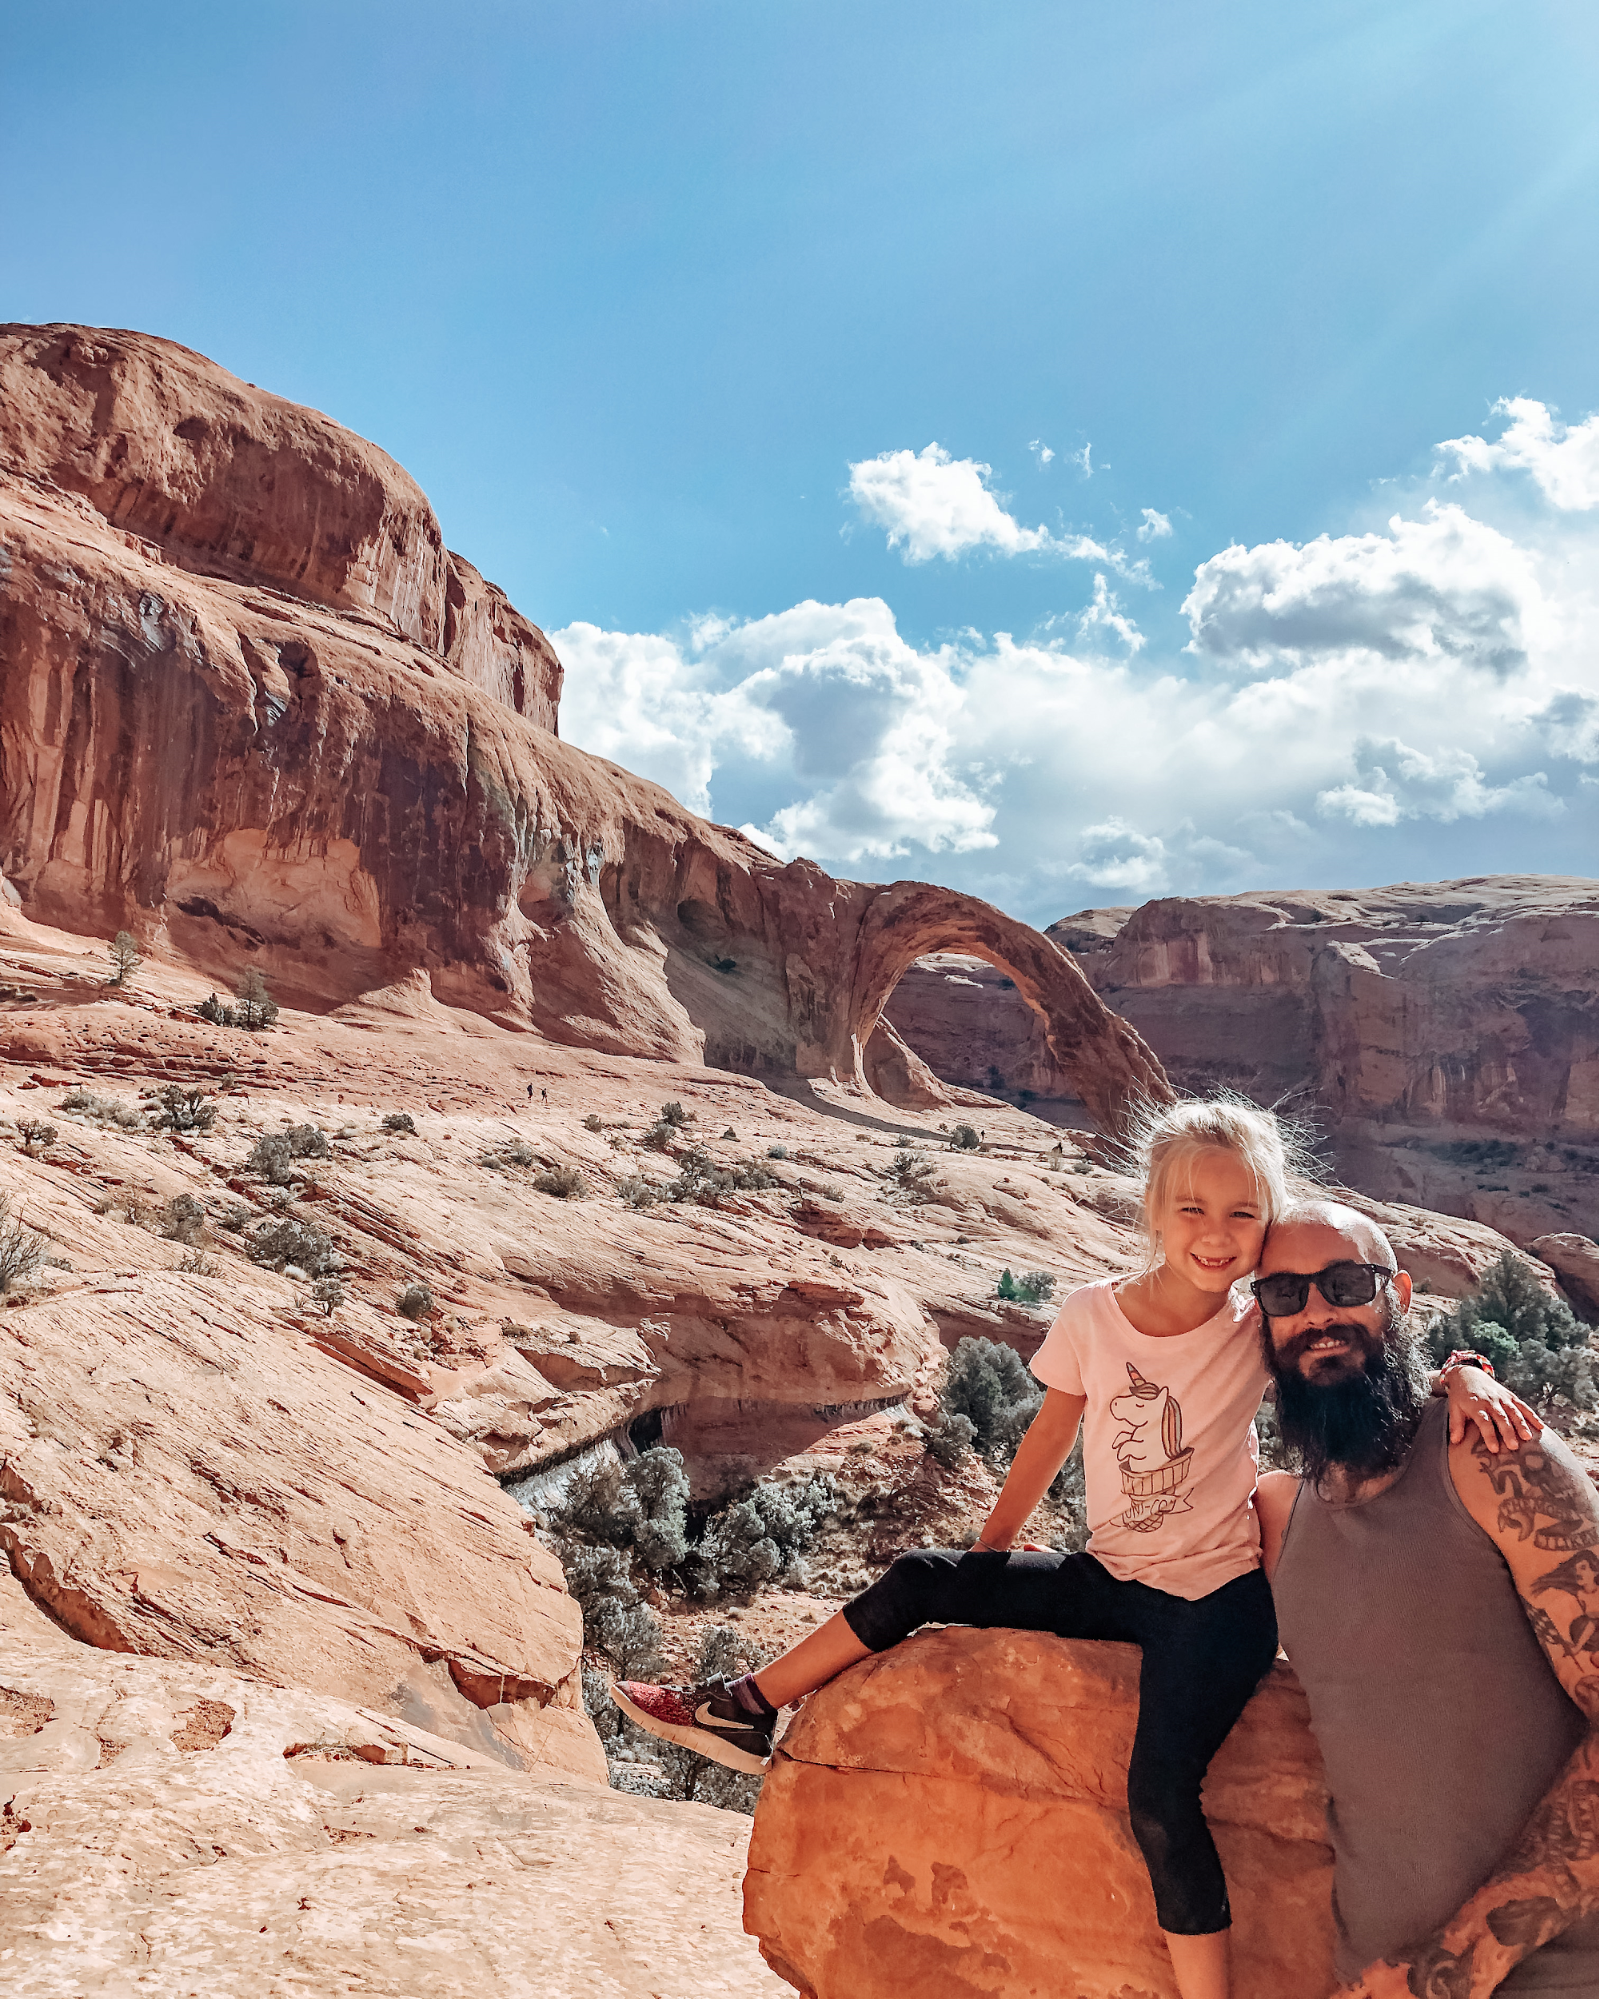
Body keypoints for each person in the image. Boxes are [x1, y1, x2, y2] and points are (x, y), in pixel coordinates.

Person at [612, 1098, 1531, 1999]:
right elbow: (1049, 1435)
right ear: (1154, 1212)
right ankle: (740, 1706)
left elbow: (1359, 1350)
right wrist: (993, 1559)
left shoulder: (1257, 1324)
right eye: (1193, 1209)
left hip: (1217, 1604)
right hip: (1110, 1577)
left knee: (1161, 1801)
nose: (1217, 1233)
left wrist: (1460, 1373)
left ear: (1265, 1222)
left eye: (1242, 1213)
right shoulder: (1095, 1315)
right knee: (921, 1576)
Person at [1254, 1200, 1597, 1998]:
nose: (1317, 1314)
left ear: (1399, 1297)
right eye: (1285, 1295)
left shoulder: (1492, 1456)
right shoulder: (1286, 1515)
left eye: (1345, 1283)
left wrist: (1452, 1967)